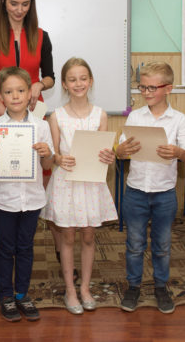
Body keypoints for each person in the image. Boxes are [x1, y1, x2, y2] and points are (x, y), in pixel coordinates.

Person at [0, 0, 56, 277]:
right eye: (14, 4)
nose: (20, 9)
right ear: (3, 3)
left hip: (33, 111)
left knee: (37, 173)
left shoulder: (42, 36)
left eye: (25, 4)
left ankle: (27, 243)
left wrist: (39, 84)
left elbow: (50, 76)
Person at [116, 61, 185, 314]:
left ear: (168, 88)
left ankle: (161, 287)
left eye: (152, 87)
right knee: (134, 244)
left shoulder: (179, 119)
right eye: (142, 87)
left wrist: (178, 152)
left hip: (164, 194)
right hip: (136, 192)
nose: (146, 92)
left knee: (162, 245)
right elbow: (120, 151)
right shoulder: (135, 117)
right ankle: (134, 286)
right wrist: (121, 150)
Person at [41, 57, 117, 315]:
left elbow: (104, 151)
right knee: (68, 236)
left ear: (90, 81)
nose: (78, 83)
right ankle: (70, 290)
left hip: (91, 183)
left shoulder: (100, 114)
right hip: (66, 182)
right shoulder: (57, 116)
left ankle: (84, 288)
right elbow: (52, 155)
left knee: (88, 235)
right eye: (72, 79)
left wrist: (109, 156)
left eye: (83, 78)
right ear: (64, 84)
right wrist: (59, 159)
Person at [0, 66, 54, 322]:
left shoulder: (41, 127)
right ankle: (6, 296)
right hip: (4, 200)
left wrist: (47, 154)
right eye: (9, 92)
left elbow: (47, 165)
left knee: (25, 248)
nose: (16, 96)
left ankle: (22, 294)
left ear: (30, 93)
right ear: (0, 95)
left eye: (21, 90)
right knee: (4, 248)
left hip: (32, 200)